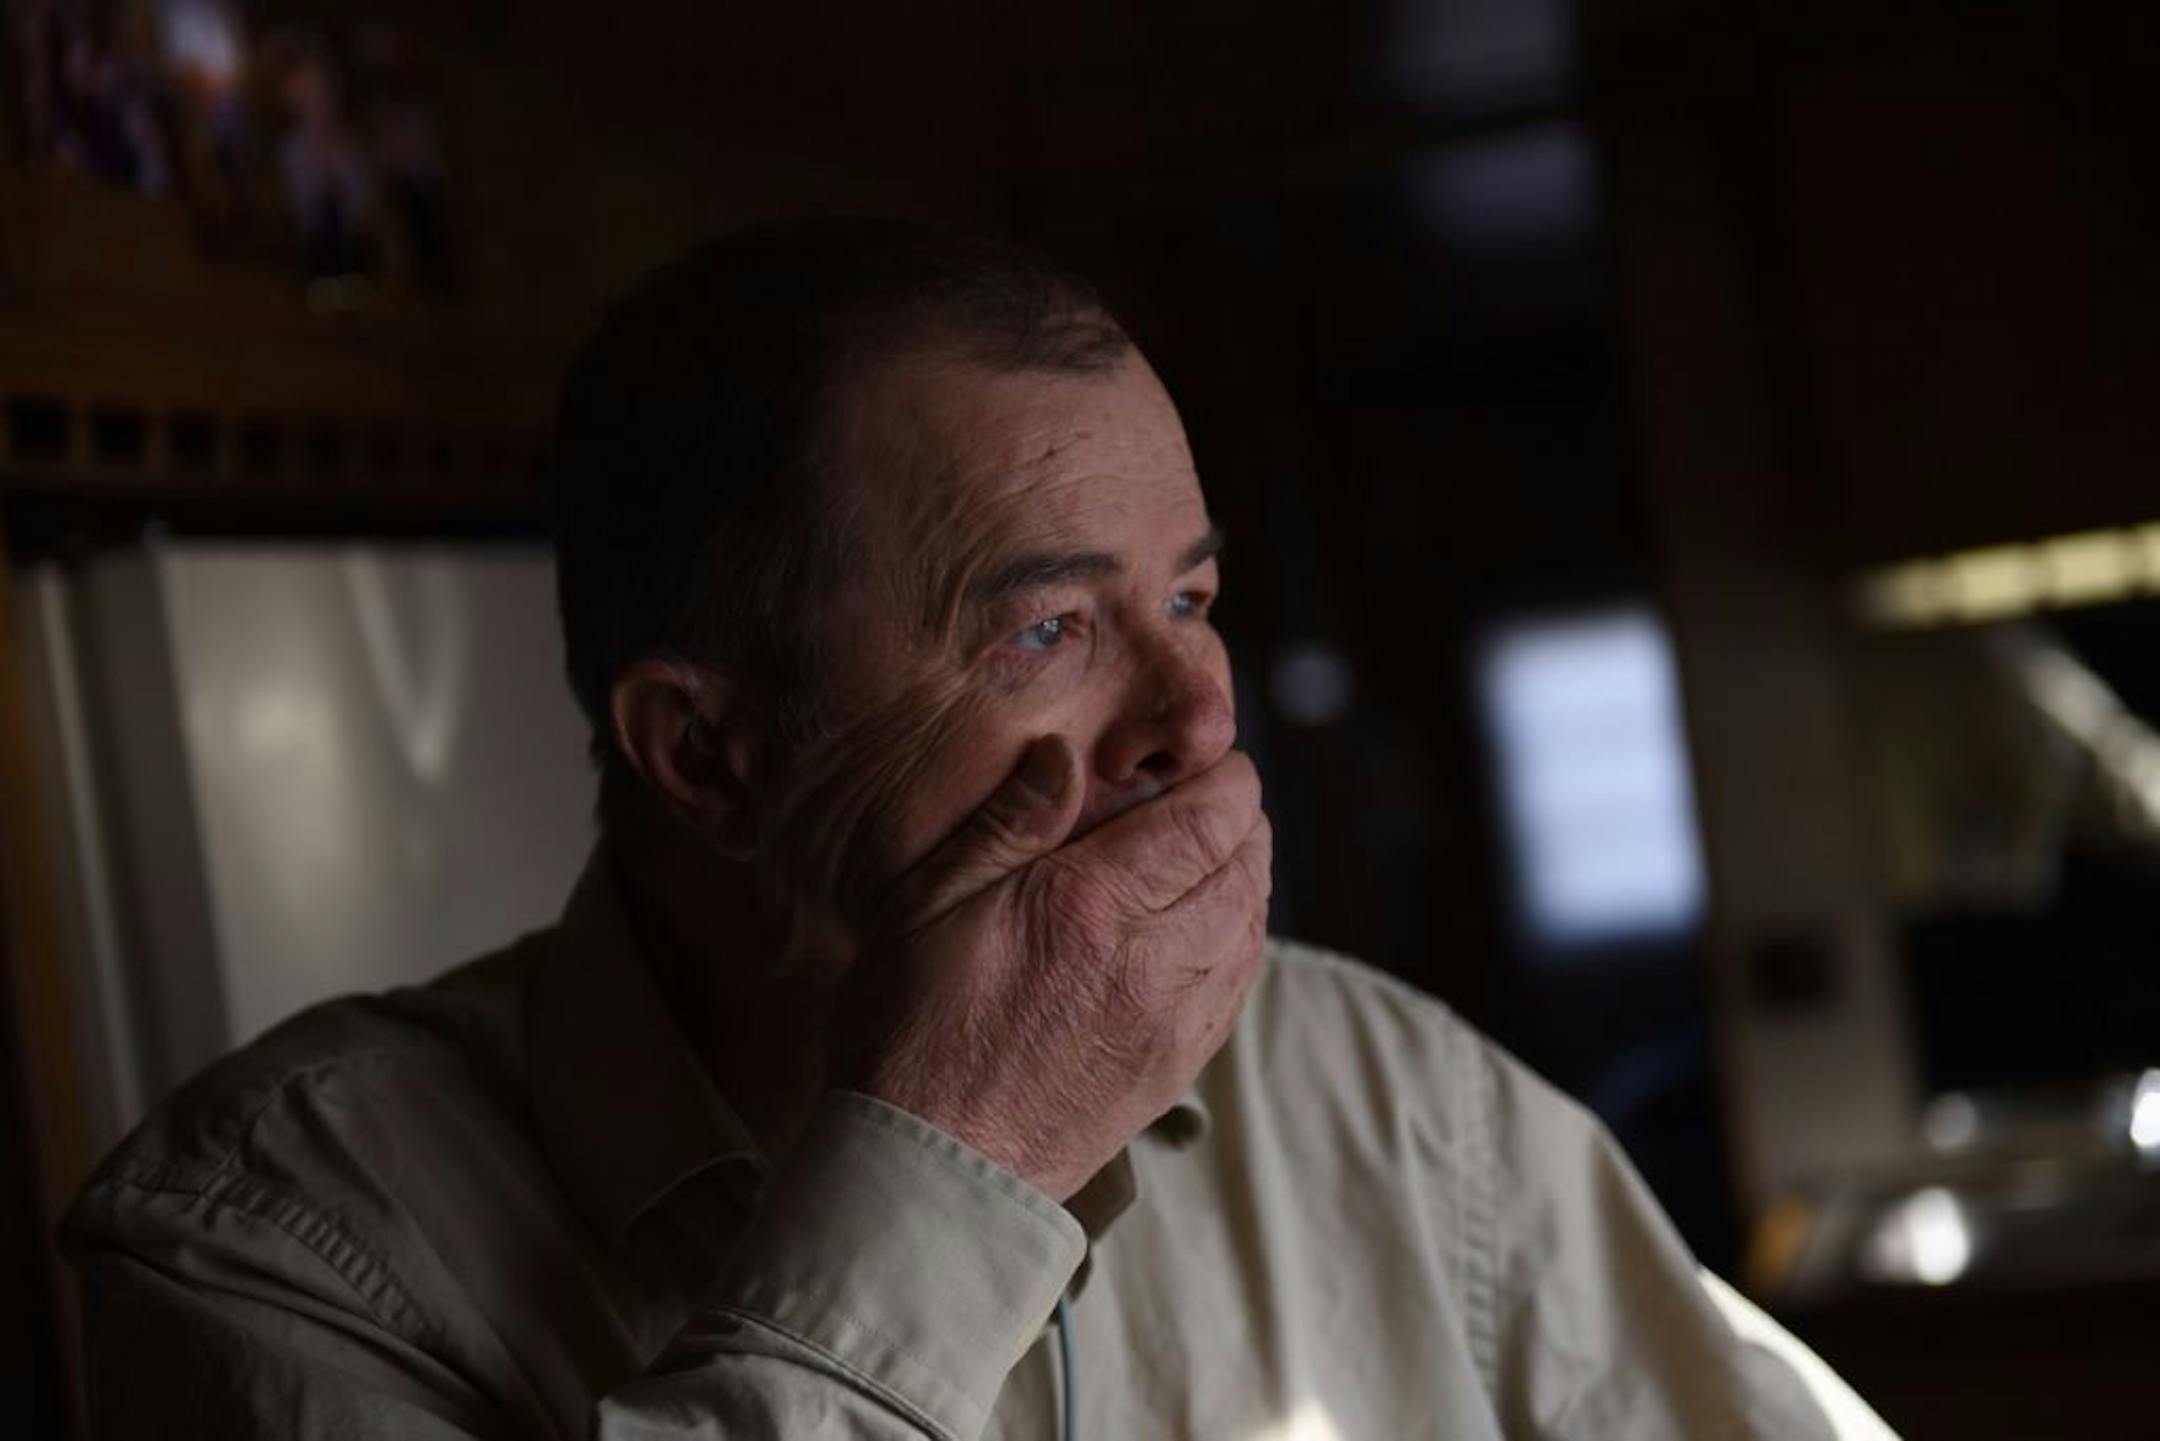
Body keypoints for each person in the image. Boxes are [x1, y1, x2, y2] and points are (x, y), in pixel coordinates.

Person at [61, 219, 1892, 1439]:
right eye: (1048, 628)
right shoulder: (262, 1241)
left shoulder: (1392, 1101)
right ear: (708, 753)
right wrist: (951, 1162)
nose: (1200, 718)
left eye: (1192, 598)